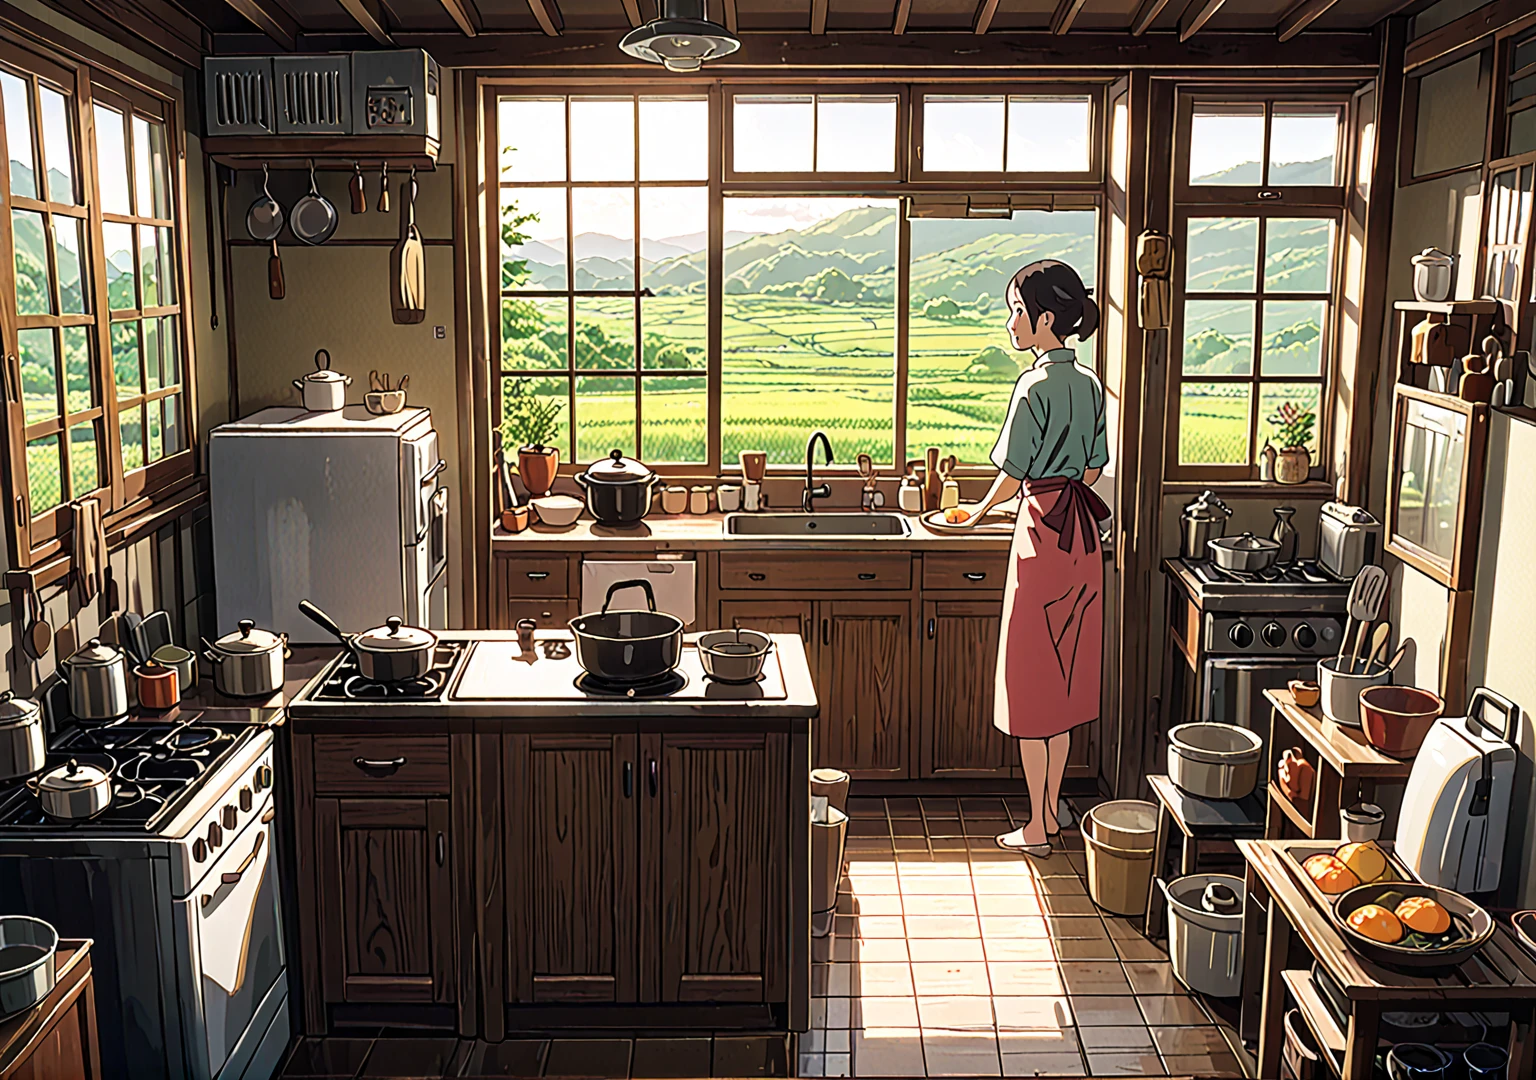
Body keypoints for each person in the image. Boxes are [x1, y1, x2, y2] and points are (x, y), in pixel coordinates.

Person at [953, 259, 1110, 857]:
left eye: (1017, 312)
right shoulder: (1090, 384)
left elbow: (1011, 473)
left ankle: (1038, 829)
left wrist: (977, 511)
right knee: (1064, 684)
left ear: (1045, 320)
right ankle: (1050, 813)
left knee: (1029, 682)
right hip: (1083, 542)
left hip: (1043, 534)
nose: (1011, 324)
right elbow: (1093, 468)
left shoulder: (1033, 386)